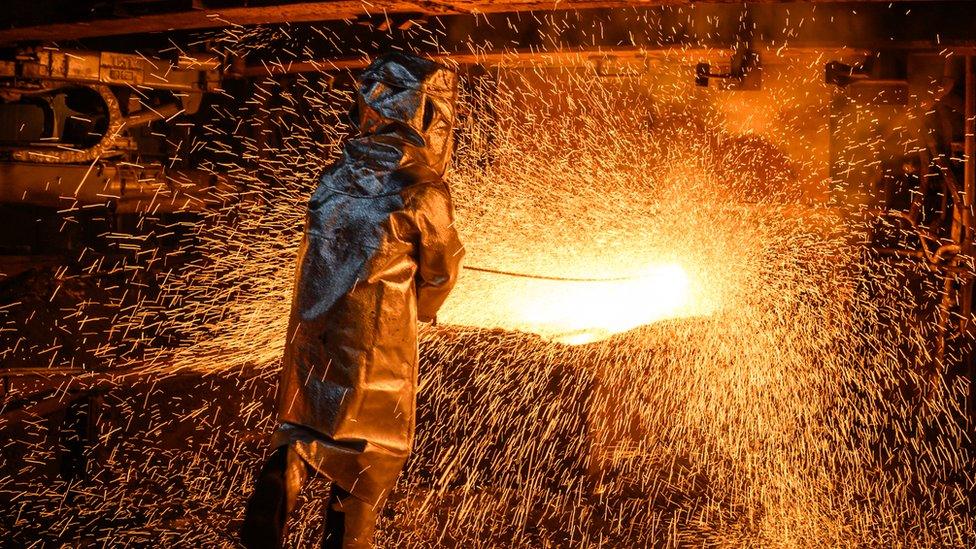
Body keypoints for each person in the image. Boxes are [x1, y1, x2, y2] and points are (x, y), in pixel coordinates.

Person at [240, 51, 464, 548]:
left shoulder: (335, 178)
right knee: (369, 451)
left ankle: (275, 495)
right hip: (374, 339)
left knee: (304, 425)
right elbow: (440, 270)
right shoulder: (422, 189)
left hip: (313, 330)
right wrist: (426, 310)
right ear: (432, 117)